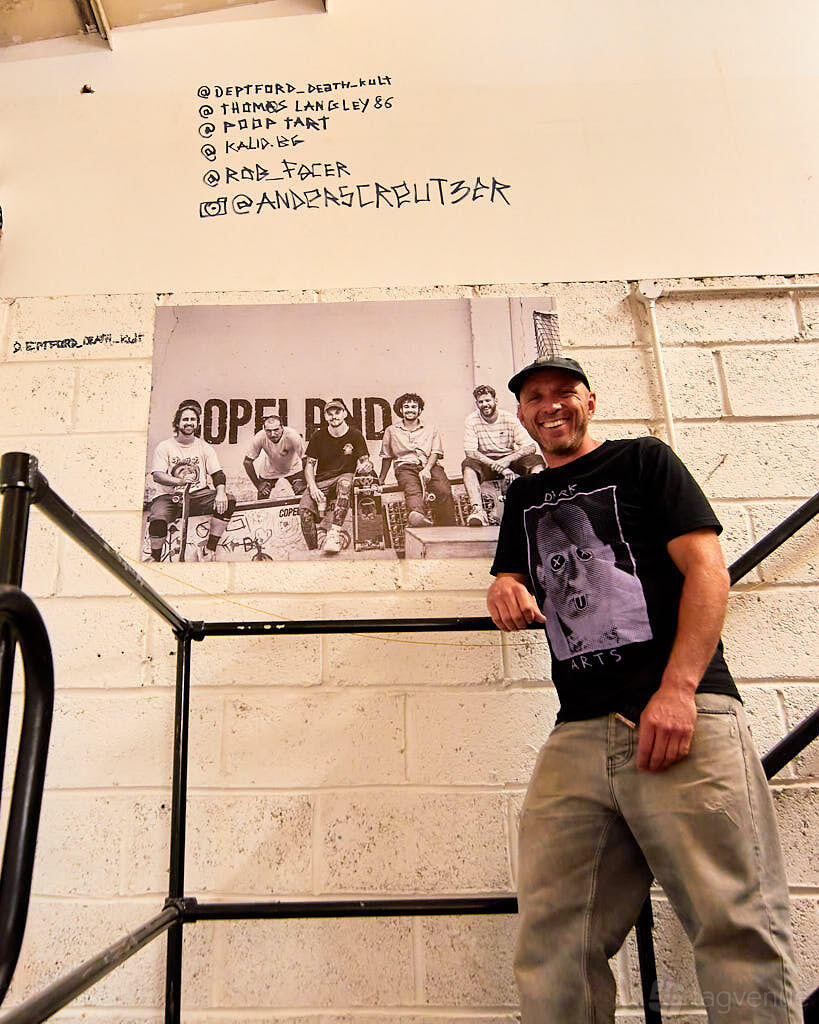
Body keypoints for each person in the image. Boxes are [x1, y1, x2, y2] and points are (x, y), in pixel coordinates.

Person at [487, 355, 801, 1023]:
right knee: (552, 939)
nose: (550, 406)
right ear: (520, 414)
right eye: (534, 397)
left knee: (732, 922)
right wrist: (505, 584)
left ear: (589, 402)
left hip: (682, 711)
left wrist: (677, 688)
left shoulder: (642, 461)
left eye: (564, 393)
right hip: (577, 729)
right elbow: (512, 575)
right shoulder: (522, 497)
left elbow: (707, 571)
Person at [147, 399, 236, 562]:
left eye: (193, 420)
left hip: (198, 495)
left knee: (228, 501)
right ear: (178, 423)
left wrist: (221, 492)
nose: (189, 423)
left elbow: (218, 474)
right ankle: (155, 557)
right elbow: (157, 475)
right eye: (185, 419)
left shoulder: (204, 448)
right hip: (169, 497)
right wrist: (180, 481)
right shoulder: (165, 446)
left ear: (198, 423)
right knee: (157, 520)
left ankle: (209, 549)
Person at [462, 384, 544, 526]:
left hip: (508, 458)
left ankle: (535, 508)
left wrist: (506, 461)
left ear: (495, 401)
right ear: (477, 404)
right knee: (468, 464)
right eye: (481, 402)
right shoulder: (472, 420)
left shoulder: (508, 418)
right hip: (487, 461)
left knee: (536, 461)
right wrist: (499, 467)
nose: (485, 405)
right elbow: (470, 451)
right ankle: (478, 511)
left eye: (488, 400)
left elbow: (530, 446)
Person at [300, 397, 369, 554]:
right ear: (325, 417)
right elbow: (309, 465)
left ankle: (333, 534)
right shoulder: (318, 436)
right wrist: (312, 486)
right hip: (322, 480)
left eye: (337, 412)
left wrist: (366, 466)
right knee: (304, 511)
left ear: (344, 413)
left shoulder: (355, 435)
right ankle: (314, 551)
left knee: (345, 484)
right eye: (329, 414)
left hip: (345, 476)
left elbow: (365, 461)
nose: (334, 416)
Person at [379, 392, 457, 527]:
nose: (410, 409)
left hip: (430, 465)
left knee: (443, 490)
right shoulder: (391, 430)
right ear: (401, 410)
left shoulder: (431, 428)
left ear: (420, 410)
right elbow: (387, 456)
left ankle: (448, 527)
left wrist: (427, 470)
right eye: (406, 406)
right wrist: (381, 479)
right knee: (412, 489)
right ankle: (418, 517)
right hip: (405, 466)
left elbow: (436, 452)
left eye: (414, 407)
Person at [243, 414, 306, 498]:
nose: (272, 434)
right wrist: (258, 485)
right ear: (264, 430)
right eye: (268, 431)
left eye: (276, 430)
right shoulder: (260, 437)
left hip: (294, 468)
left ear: (282, 428)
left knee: (304, 495)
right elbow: (247, 462)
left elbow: (306, 459)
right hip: (269, 471)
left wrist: (305, 482)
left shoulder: (293, 436)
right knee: (262, 497)